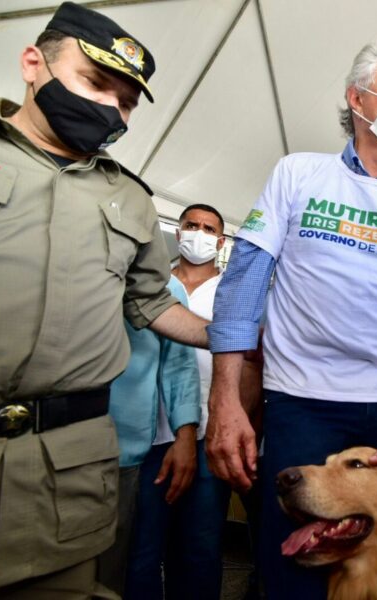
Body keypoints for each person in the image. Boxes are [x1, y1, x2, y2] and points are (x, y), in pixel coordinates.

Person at [204, 40, 377, 598]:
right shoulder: (298, 174)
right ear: (358, 97)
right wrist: (225, 400)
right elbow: (244, 282)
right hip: (301, 404)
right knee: (296, 565)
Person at [0, 3, 208, 596]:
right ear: (33, 64)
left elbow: (153, 306)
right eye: (95, 82)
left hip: (68, 466)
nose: (111, 107)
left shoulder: (130, 200)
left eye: (127, 101)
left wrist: (242, 334)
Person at [126, 204, 233, 600]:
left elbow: (253, 365)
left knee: (200, 547)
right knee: (143, 547)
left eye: (208, 229)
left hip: (210, 432)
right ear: (177, 230)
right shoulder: (152, 285)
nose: (199, 234)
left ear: (221, 241)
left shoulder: (232, 292)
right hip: (149, 434)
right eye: (192, 225)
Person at [99, 277, 202, 597]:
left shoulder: (162, 287)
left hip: (128, 453)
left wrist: (185, 436)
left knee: (129, 563)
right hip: (53, 440)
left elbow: (179, 365)